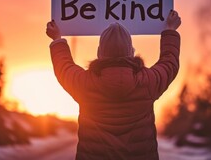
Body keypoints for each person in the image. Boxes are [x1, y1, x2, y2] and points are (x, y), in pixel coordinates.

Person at [46, 10, 181, 160]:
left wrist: (57, 39)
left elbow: (63, 67)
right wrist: (170, 30)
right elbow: (169, 63)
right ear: (131, 52)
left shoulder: (85, 84)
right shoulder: (147, 82)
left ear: (99, 53)